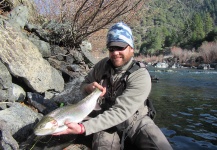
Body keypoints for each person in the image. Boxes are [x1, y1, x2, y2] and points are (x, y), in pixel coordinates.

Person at [53, 22, 173, 150]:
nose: (115, 52)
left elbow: (121, 111)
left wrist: (83, 127)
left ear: (131, 48)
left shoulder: (141, 76)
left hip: (136, 121)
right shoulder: (102, 65)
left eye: (120, 47)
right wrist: (88, 88)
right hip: (105, 119)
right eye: (111, 48)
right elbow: (84, 84)